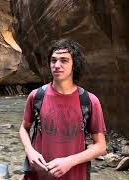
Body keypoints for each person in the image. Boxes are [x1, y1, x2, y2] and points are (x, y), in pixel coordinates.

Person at [19, 39, 107, 180]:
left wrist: (69, 161)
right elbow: (24, 128)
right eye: (53, 61)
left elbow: (101, 146)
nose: (57, 65)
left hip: (74, 175)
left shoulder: (89, 101)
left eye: (64, 60)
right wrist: (29, 151)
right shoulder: (36, 96)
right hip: (39, 175)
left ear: (74, 65)